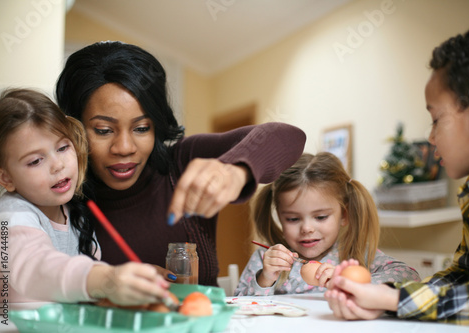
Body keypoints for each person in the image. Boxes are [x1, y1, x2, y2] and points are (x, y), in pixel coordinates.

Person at [55, 41, 306, 286]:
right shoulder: (58, 196)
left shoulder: (183, 161)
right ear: (73, 128)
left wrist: (235, 170)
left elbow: (288, 136)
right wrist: (110, 283)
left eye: (142, 128)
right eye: (103, 130)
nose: (124, 148)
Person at [324, 21, 469, 326]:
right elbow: (463, 277)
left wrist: (393, 301)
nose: (431, 137)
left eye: (435, 119)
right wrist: (387, 296)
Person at [0, 89, 170, 304]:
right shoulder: (10, 217)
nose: (58, 165)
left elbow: (75, 287)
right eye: (35, 161)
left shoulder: (77, 213)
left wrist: (132, 280)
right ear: (5, 178)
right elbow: (37, 267)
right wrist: (105, 279)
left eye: (63, 147)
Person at [235, 152, 420, 296]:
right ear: (280, 217)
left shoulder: (354, 255)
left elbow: (409, 275)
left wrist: (349, 280)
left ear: (344, 215)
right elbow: (239, 306)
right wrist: (264, 279)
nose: (307, 228)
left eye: (321, 217)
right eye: (293, 219)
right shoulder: (266, 260)